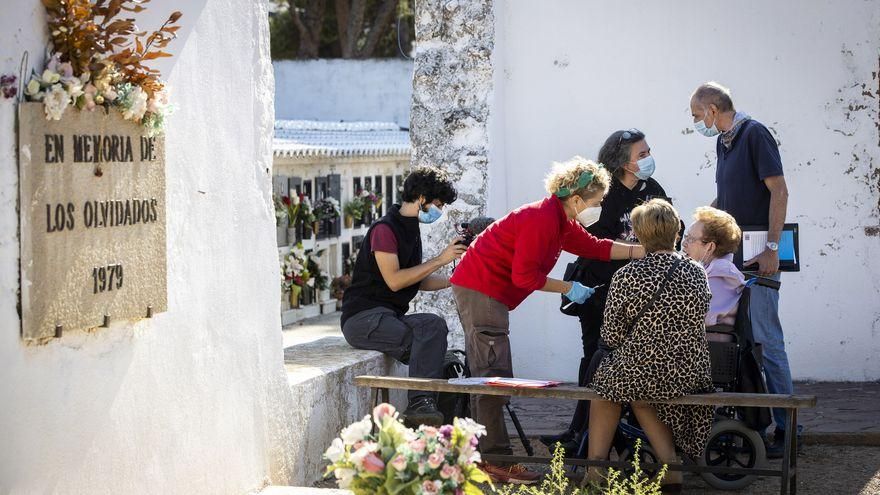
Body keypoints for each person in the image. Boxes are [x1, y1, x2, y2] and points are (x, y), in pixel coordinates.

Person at [449, 157, 646, 484]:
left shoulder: (558, 219)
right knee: (491, 376)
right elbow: (525, 277)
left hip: (487, 292)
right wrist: (569, 287)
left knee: (492, 374)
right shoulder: (542, 219)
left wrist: (639, 250)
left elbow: (593, 247)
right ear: (577, 199)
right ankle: (495, 463)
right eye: (596, 202)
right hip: (480, 290)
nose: (598, 208)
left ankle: (489, 457)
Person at [539, 128, 679, 454]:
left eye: (647, 152)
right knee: (595, 357)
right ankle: (582, 433)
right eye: (641, 155)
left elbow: (671, 230)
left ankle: (600, 433)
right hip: (601, 289)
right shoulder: (603, 194)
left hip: (642, 295)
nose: (647, 159)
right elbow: (593, 244)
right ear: (623, 163)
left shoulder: (653, 190)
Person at [690, 81, 795, 457]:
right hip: (732, 258)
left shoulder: (755, 134)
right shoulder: (724, 141)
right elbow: (727, 196)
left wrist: (772, 249)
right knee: (739, 344)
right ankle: (754, 422)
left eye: (696, 116)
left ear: (713, 109)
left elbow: (779, 191)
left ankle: (788, 430)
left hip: (759, 255)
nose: (696, 123)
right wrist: (700, 225)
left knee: (767, 340)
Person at [586, 200, 714, 493]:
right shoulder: (696, 272)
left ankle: (595, 470)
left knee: (605, 389)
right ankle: (671, 469)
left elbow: (612, 335)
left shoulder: (627, 275)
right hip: (688, 370)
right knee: (640, 396)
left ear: (639, 235)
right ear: (676, 232)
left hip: (643, 370)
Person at [340, 165, 466, 427]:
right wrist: (440, 259)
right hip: (364, 320)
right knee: (433, 349)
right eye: (437, 204)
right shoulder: (385, 230)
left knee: (433, 328)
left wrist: (455, 282)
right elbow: (396, 281)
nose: (439, 211)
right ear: (421, 198)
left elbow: (416, 278)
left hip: (389, 318)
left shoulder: (410, 229)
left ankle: (436, 425)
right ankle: (420, 405)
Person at [682, 206, 745, 329]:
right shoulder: (711, 267)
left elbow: (701, 317)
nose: (684, 243)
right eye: (686, 237)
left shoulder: (721, 273)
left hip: (710, 344)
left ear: (710, 247)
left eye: (690, 239)